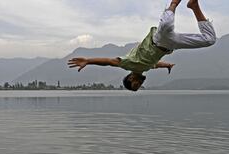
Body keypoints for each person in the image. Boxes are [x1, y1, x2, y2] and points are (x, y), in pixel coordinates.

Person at [68, 0, 216, 91]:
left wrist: (88, 61)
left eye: (136, 85)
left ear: (131, 79)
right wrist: (167, 66)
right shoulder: (144, 67)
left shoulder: (129, 64)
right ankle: (194, 6)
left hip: (158, 40)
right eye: (138, 86)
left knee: (166, 23)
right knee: (209, 40)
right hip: (172, 45)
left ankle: (174, 3)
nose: (139, 84)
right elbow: (155, 64)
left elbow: (109, 62)